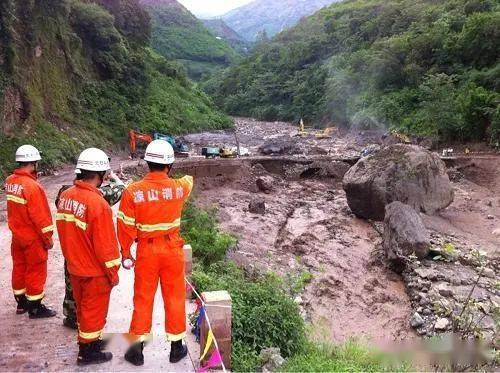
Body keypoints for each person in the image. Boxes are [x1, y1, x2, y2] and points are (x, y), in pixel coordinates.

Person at [117, 140, 193, 366]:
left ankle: (136, 351)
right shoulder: (179, 188)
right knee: (175, 298)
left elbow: (125, 227)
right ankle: (176, 348)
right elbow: (189, 181)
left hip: (147, 251)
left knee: (143, 299)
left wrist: (126, 253)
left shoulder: (132, 192)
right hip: (171, 250)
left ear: (147, 163)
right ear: (169, 165)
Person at [56, 148, 121, 366]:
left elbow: (64, 232)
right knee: (93, 311)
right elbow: (106, 245)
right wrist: (113, 272)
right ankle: (87, 352)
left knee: (83, 308)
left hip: (74, 266)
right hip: (93, 270)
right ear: (101, 175)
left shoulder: (66, 197)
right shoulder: (98, 204)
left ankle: (90, 341)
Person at [56, 170, 126, 330]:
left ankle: (73, 316)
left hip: (71, 256)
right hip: (90, 263)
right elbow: (121, 189)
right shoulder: (97, 198)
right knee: (92, 305)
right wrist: (113, 272)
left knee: (74, 290)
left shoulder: (65, 194)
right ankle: (89, 344)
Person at [5, 145, 56, 318]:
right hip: (32, 238)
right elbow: (41, 217)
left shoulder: (10, 181)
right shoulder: (33, 187)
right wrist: (48, 238)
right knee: (36, 269)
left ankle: (21, 303)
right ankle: (35, 307)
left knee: (19, 267)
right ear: (33, 163)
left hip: (17, 235)